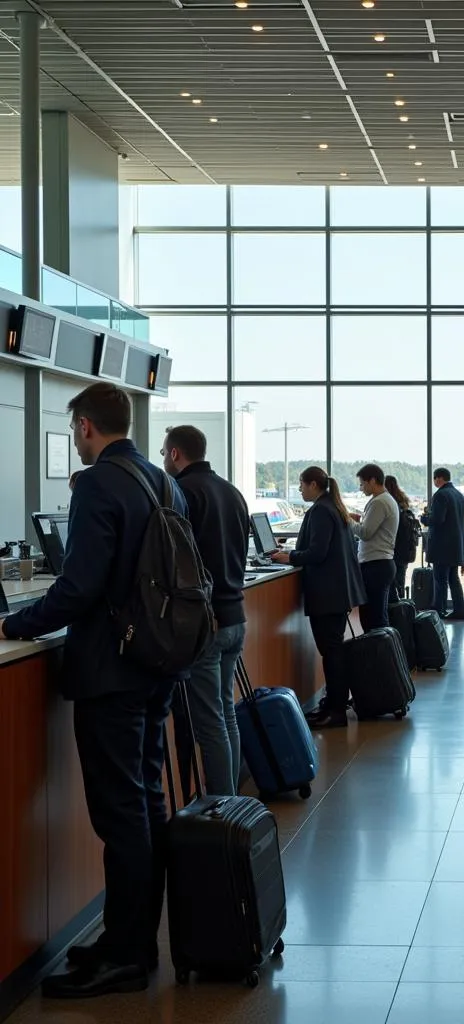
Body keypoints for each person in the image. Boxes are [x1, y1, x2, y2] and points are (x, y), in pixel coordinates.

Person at [0, 383, 189, 997]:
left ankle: (128, 954)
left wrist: (13, 624)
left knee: (121, 812)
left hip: (111, 671)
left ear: (83, 426)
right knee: (145, 801)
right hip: (155, 662)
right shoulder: (164, 481)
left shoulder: (101, 484)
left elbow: (78, 588)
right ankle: (127, 939)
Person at [163, 425, 249, 797]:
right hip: (235, 616)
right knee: (226, 714)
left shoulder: (182, 493)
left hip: (205, 624)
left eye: (165, 453)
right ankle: (233, 805)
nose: (164, 460)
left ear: (176, 454)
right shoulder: (233, 492)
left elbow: (174, 560)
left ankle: (222, 811)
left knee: (210, 723)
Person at [270, 467, 366, 727]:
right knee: (333, 650)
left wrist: (289, 556)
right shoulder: (332, 507)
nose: (299, 489)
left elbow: (317, 552)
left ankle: (335, 711)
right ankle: (333, 705)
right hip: (338, 592)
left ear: (314, 484)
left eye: (301, 484)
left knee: (331, 652)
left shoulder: (322, 510)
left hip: (328, 593)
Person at [350, 463, 399, 631]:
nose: (361, 488)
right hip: (380, 564)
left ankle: (380, 656)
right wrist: (358, 519)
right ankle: (382, 655)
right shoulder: (384, 500)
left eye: (362, 483)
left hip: (376, 565)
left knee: (374, 619)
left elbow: (365, 533)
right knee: (377, 616)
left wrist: (347, 520)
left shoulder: (379, 502)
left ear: (372, 480)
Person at [421, 467, 464, 621]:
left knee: (440, 580)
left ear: (439, 479)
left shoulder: (441, 495)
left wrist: (424, 519)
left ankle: (438, 611)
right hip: (456, 546)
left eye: (435, 479)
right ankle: (459, 610)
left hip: (442, 546)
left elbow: (437, 519)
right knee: (453, 579)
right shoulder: (459, 495)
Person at [385, 474, 419, 603]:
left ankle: (393, 609)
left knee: (391, 583)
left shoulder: (388, 503)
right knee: (400, 579)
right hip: (405, 549)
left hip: (394, 549)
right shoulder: (403, 502)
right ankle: (401, 610)